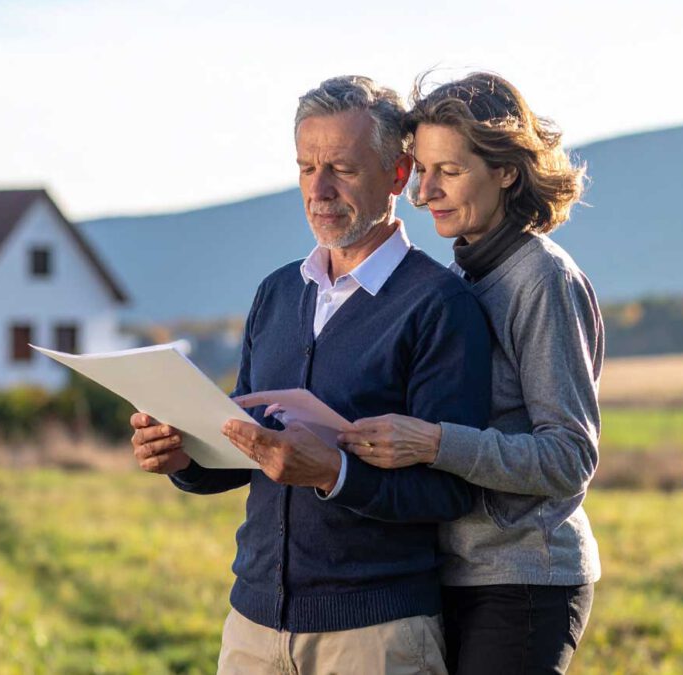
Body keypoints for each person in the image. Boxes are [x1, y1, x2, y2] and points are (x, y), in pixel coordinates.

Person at [129, 75, 492, 674]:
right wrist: (183, 457)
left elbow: (451, 492)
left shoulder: (439, 306)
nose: (319, 190)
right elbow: (250, 451)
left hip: (375, 636)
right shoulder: (276, 293)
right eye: (306, 168)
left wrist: (335, 473)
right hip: (252, 628)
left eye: (342, 169)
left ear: (398, 175)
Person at [337, 73, 603, 674]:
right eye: (421, 170)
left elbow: (569, 458)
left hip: (524, 579)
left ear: (506, 171)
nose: (425, 191)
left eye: (449, 171)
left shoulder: (542, 280)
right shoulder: (460, 277)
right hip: (449, 572)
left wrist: (433, 443)